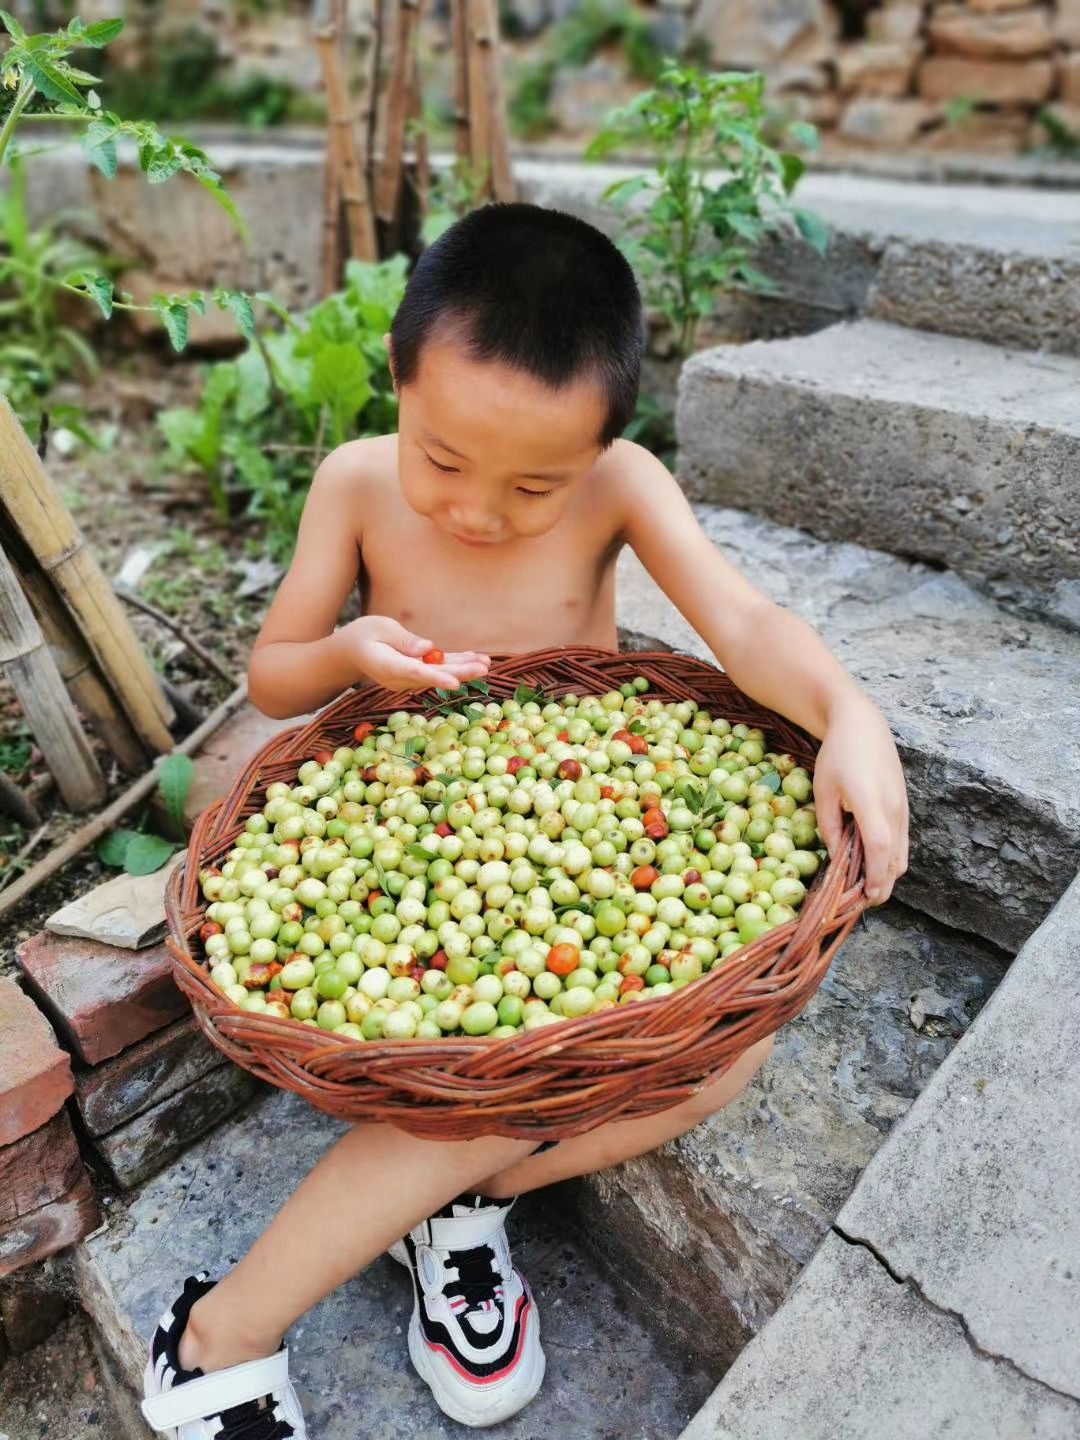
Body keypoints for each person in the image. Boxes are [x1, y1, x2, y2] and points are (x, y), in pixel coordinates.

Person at [141, 202, 909, 1440]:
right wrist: (347, 649)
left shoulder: (627, 487)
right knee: (483, 1075)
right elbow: (276, 671)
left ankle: (455, 1203)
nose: (479, 513)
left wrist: (849, 713)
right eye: (441, 462)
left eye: (534, 485)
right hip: (404, 816)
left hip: (585, 801)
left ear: (604, 444)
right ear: (396, 384)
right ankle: (215, 1337)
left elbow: (748, 624)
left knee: (732, 1054)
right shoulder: (351, 486)